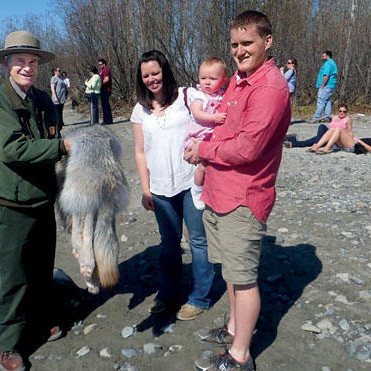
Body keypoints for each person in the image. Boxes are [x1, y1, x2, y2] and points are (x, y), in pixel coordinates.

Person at [185, 11, 290, 370]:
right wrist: (201, 149)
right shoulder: (238, 82)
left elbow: (247, 149)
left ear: (267, 41)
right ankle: (233, 329)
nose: (240, 51)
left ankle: (241, 355)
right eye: (235, 44)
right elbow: (224, 129)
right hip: (220, 192)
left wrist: (202, 151)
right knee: (231, 271)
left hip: (244, 199)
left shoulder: (270, 88)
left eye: (247, 43)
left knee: (243, 279)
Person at [0, 30, 71, 371]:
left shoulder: (44, 102)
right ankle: (7, 344)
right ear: (7, 65)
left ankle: (40, 320)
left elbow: (51, 140)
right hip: (12, 205)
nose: (28, 68)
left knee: (41, 270)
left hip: (42, 201)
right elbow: (12, 149)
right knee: (15, 276)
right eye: (20, 62)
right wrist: (62, 147)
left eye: (32, 62)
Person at [131, 50, 214, 322]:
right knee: (169, 244)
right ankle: (168, 293)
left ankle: (199, 297)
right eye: (146, 75)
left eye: (155, 73)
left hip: (190, 181)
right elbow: (140, 151)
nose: (152, 79)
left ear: (165, 71)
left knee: (198, 241)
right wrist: (145, 189)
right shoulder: (139, 110)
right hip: (160, 188)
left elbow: (213, 113)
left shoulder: (187, 96)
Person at [185, 57, 228, 210]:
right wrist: (214, 118)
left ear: (223, 80)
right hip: (198, 135)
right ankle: (196, 190)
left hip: (212, 138)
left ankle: (210, 190)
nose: (207, 82)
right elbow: (196, 113)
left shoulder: (223, 96)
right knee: (203, 166)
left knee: (213, 166)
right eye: (203, 78)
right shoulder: (199, 95)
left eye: (212, 78)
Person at [312, 50, 338, 122]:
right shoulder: (332, 63)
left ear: (327, 56)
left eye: (323, 56)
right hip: (330, 86)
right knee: (327, 101)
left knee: (321, 101)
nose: (322, 57)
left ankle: (316, 117)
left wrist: (322, 85)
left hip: (326, 85)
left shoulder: (328, 64)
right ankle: (327, 116)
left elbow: (326, 75)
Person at [98, 58, 113, 125]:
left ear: (104, 64)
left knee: (105, 105)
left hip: (106, 90)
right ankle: (107, 120)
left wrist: (100, 84)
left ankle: (107, 120)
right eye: (99, 65)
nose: (100, 66)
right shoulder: (103, 70)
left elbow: (106, 79)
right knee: (105, 105)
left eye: (100, 64)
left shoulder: (106, 69)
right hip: (103, 90)